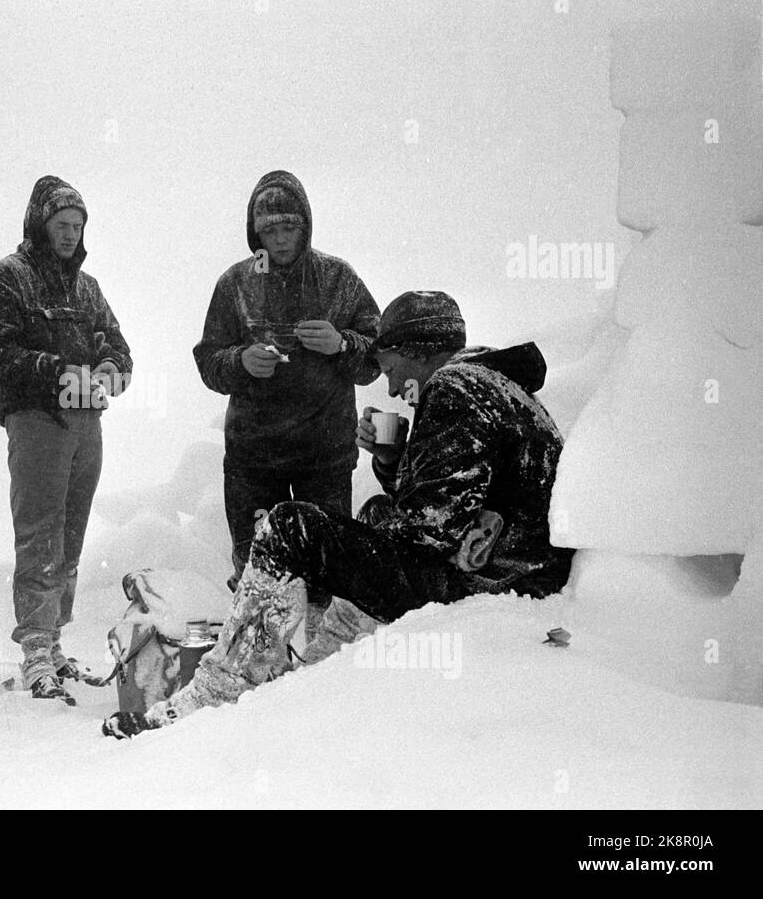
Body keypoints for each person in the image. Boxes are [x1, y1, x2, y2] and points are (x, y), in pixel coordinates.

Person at [105, 291, 574, 738]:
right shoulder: (495, 385)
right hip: (513, 569)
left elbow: (431, 530)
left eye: (390, 368)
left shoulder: (453, 385)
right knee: (374, 513)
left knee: (289, 528)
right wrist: (395, 462)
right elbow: (457, 503)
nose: (392, 387)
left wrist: (331, 546)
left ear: (419, 351)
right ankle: (325, 669)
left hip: (490, 582)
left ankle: (214, 693)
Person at [0, 176, 133, 702]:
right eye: (61, 225)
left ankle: (55, 640)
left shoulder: (87, 289)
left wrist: (110, 367)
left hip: (88, 422)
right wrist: (54, 370)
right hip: (37, 420)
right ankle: (36, 648)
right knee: (40, 530)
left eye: (78, 226)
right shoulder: (5, 280)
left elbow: (119, 345)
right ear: (39, 224)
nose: (70, 235)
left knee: (71, 532)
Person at [194, 170, 381, 588]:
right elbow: (208, 360)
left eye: (289, 228)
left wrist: (342, 344)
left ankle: (323, 652)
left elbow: (378, 355)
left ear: (305, 227)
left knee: (326, 571)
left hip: (325, 455)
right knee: (258, 574)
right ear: (255, 232)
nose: (279, 239)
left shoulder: (338, 279)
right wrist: (240, 361)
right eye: (270, 230)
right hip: (253, 459)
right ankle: (259, 648)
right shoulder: (235, 284)